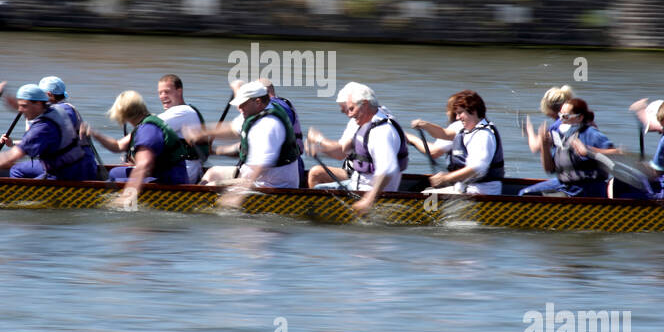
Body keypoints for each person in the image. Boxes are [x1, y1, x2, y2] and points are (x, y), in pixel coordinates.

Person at [306, 82, 407, 216]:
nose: (349, 114)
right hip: (359, 184)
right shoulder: (369, 123)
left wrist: (368, 200)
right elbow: (343, 151)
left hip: (367, 192)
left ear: (365, 104)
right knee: (317, 182)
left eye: (351, 109)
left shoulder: (380, 132)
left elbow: (388, 169)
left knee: (315, 194)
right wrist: (319, 149)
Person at [84, 90, 194, 208]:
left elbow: (144, 165)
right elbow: (118, 146)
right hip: (165, 174)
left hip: (170, 181)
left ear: (123, 113)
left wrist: (127, 197)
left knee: (115, 178)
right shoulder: (145, 123)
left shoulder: (148, 130)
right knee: (115, 172)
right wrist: (95, 134)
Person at [201, 81, 300, 201]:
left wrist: (238, 194)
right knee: (213, 172)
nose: (239, 108)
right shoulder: (254, 113)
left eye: (242, 103)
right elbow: (232, 129)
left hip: (271, 186)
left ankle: (195, 206)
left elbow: (261, 163)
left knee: (211, 187)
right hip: (253, 177)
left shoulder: (268, 124)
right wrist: (201, 133)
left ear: (257, 102)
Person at [0, 84, 96, 181]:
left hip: (68, 174)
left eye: (23, 106)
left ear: (39, 103)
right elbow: (27, 105)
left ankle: (19, 198)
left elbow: (13, 156)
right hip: (81, 165)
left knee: (18, 173)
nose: (20, 110)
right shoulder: (60, 109)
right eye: (19, 106)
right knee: (19, 169)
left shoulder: (43, 128)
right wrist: (6, 95)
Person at [408, 90, 505, 195]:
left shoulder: (483, 135)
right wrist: (424, 125)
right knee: (423, 193)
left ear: (473, 111)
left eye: (460, 113)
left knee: (425, 198)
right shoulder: (466, 127)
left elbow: (476, 168)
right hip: (465, 188)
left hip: (481, 192)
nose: (457, 117)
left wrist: (446, 178)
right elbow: (444, 133)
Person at [518, 97, 618, 197]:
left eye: (565, 116)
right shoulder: (559, 135)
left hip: (587, 188)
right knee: (526, 194)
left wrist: (589, 151)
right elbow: (549, 169)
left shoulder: (590, 133)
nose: (561, 120)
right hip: (565, 185)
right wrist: (545, 146)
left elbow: (617, 153)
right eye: (560, 115)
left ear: (579, 118)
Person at [38, 75, 100, 179]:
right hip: (80, 164)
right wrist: (13, 143)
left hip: (73, 169)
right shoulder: (67, 108)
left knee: (16, 170)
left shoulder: (59, 112)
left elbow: (40, 143)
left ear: (49, 95)